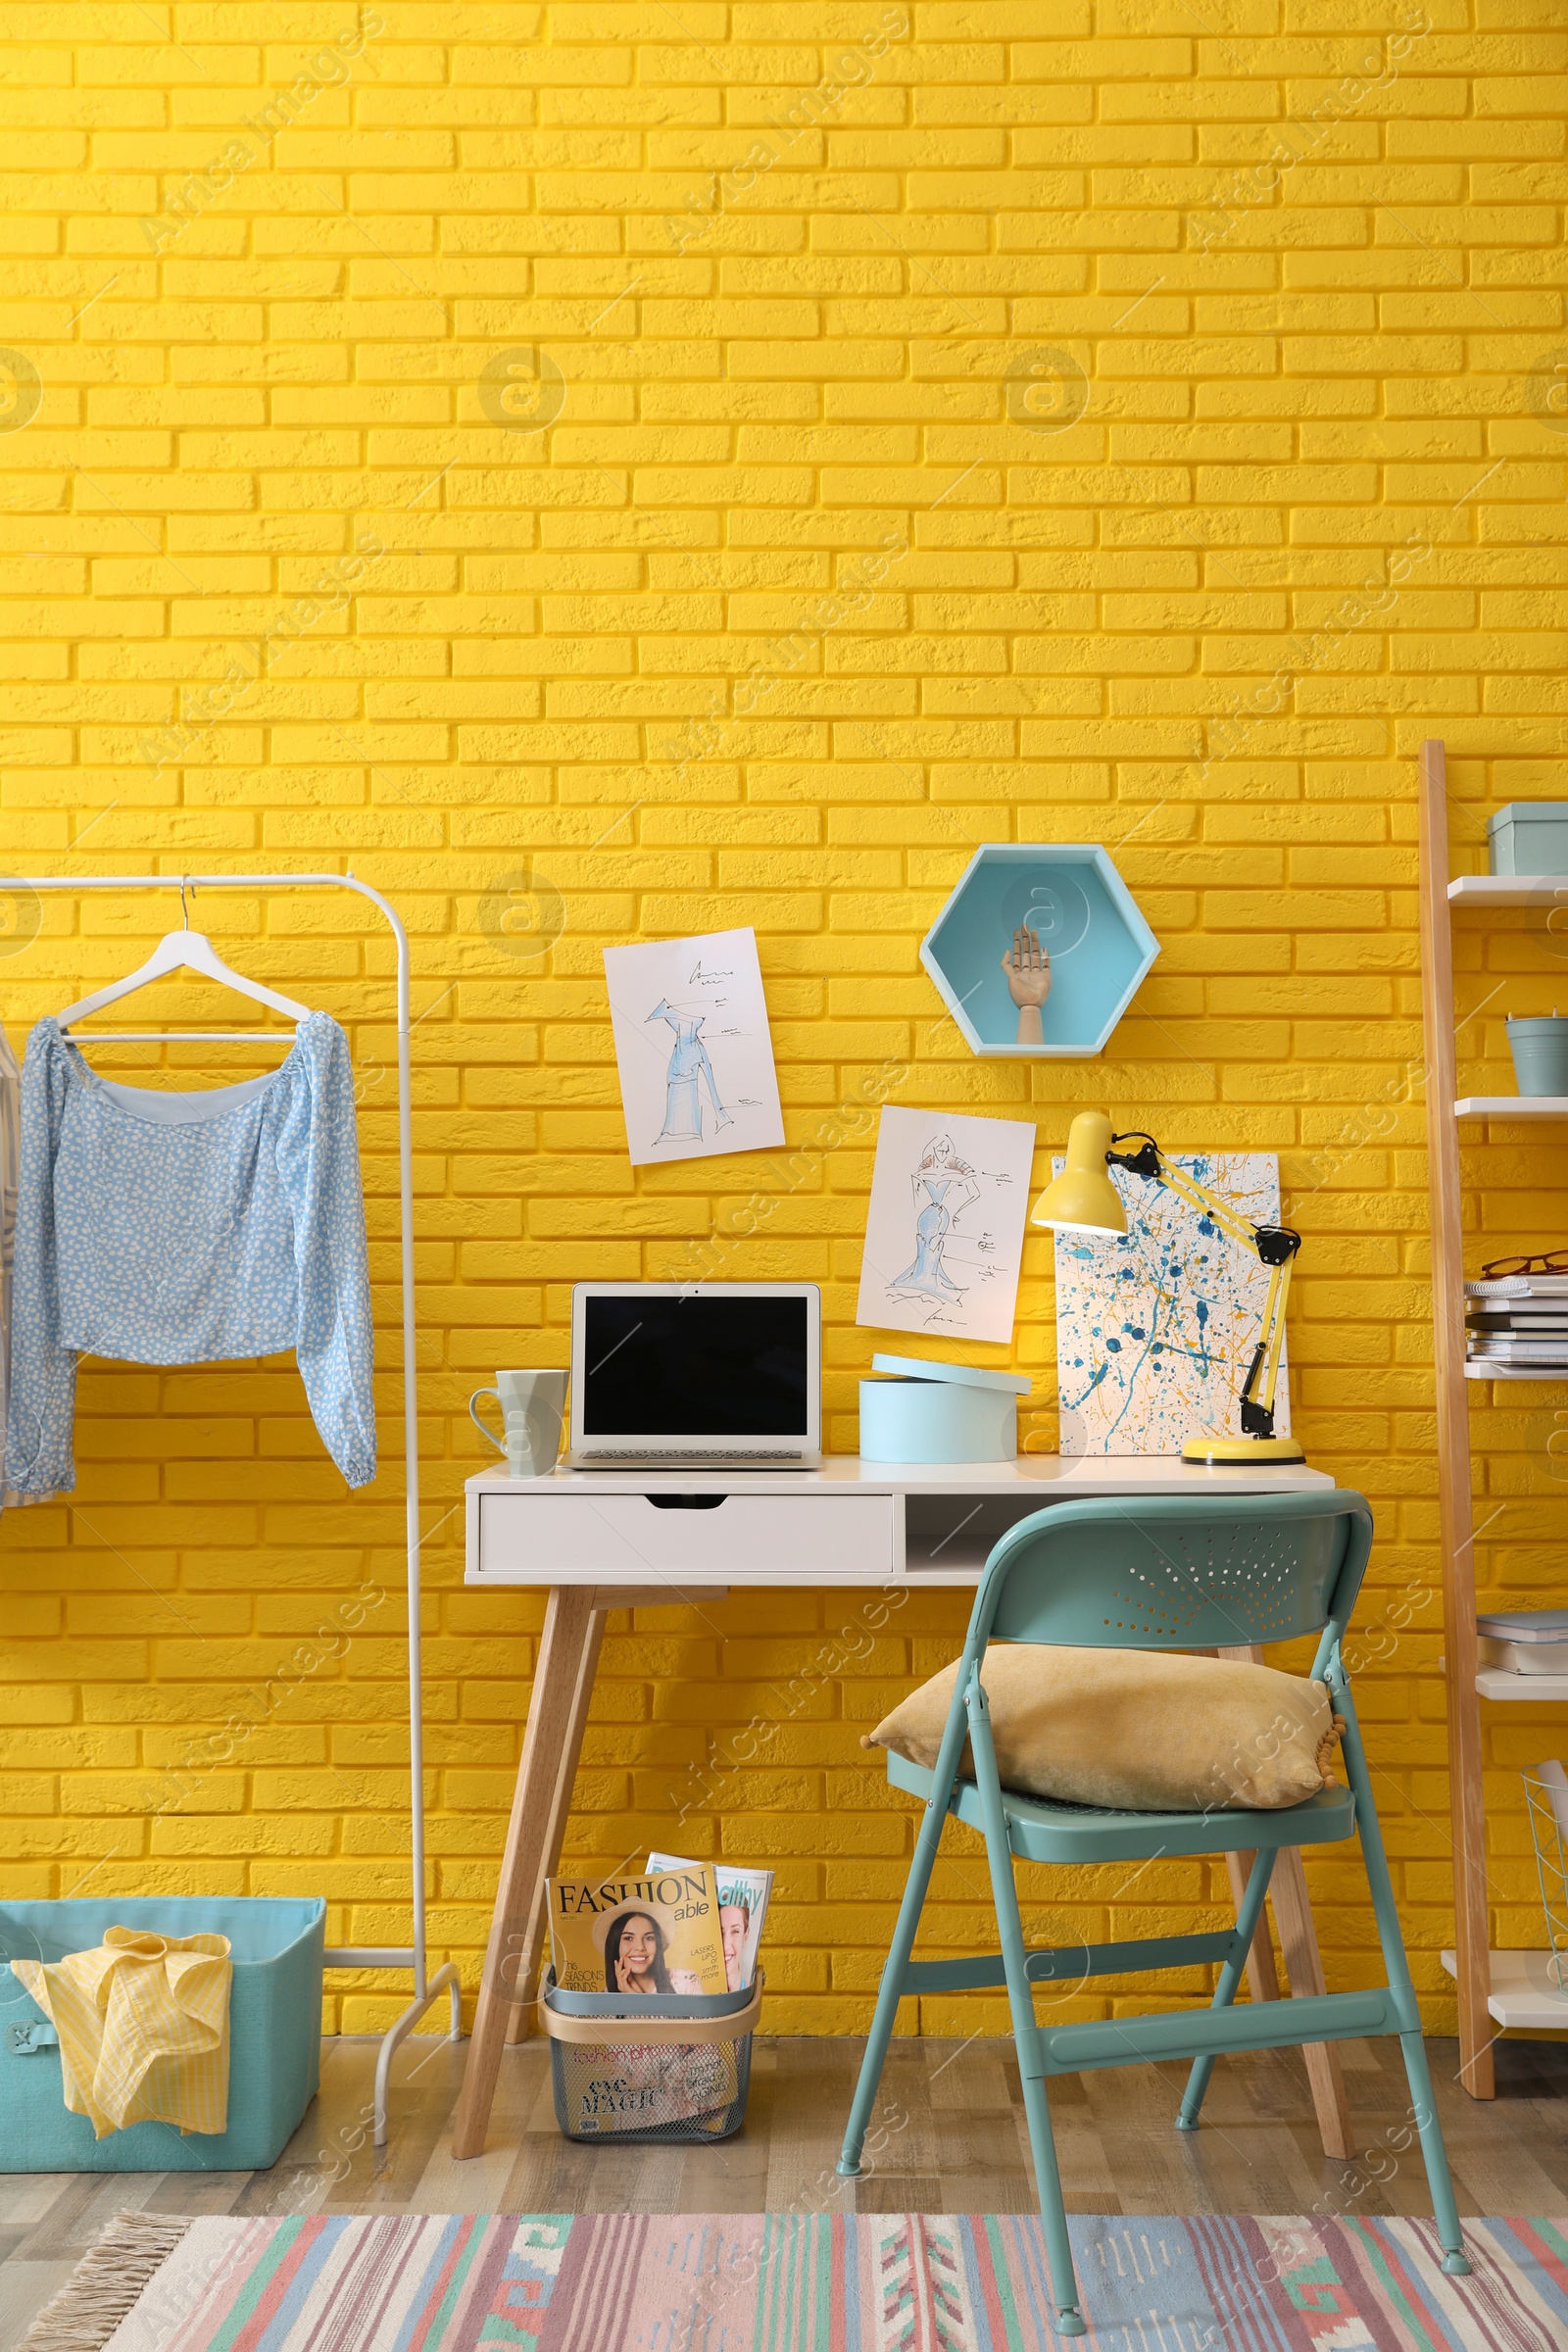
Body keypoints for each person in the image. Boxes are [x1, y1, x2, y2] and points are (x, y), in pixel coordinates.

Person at [603, 1907, 703, 1996]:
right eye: (628, 1938)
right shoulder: (603, 2001)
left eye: (649, 1938)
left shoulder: (686, 1981)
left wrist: (639, 2001)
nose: (640, 1947)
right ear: (615, 1944)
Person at [718, 1898, 751, 1991]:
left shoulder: (750, 1990)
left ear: (745, 1936)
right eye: (720, 1932)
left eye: (735, 1931)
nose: (726, 1944)